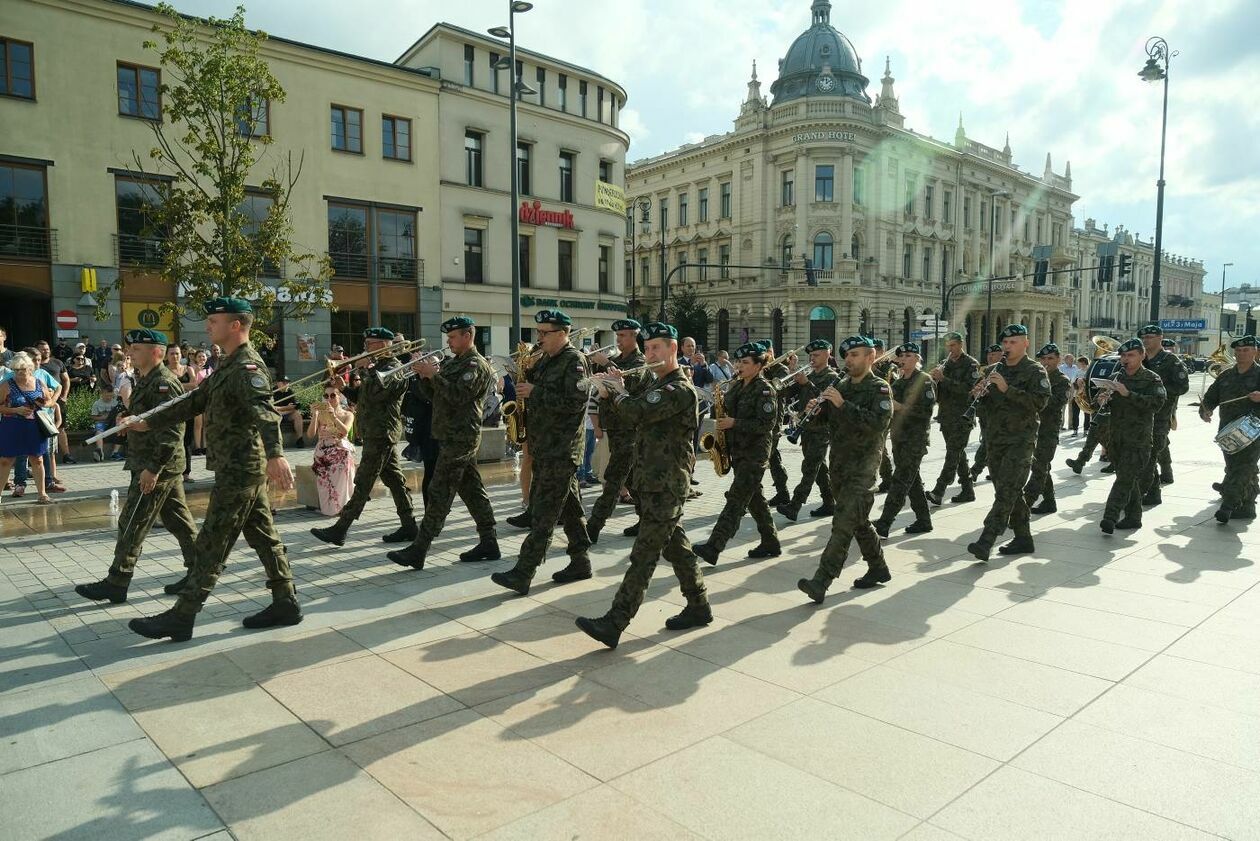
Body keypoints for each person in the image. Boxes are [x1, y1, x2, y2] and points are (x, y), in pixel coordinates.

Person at [126, 297, 298, 641]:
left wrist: (277, 454)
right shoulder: (228, 364)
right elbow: (193, 401)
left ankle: (184, 614)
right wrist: (148, 421)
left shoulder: (248, 366)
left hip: (240, 469)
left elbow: (265, 412)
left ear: (235, 325)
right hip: (238, 467)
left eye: (214, 321)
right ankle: (285, 601)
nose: (207, 326)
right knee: (264, 536)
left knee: (211, 543)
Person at [575, 322, 711, 648]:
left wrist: (617, 390)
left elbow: (636, 411)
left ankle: (615, 621)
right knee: (676, 548)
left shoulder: (677, 389)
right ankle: (699, 605)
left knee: (643, 556)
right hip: (650, 481)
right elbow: (628, 414)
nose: (650, 354)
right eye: (648, 348)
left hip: (667, 485)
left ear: (673, 349)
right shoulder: (656, 384)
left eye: (657, 348)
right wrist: (612, 389)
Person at [73, 329, 200, 604]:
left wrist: (153, 468)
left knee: (132, 521)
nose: (131, 352)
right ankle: (200, 572)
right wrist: (128, 418)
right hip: (153, 462)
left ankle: (117, 582)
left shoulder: (164, 383)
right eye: (131, 348)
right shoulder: (146, 380)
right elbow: (148, 418)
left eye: (138, 349)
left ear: (157, 352)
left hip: (156, 465)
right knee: (179, 521)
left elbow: (173, 430)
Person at [491, 309, 593, 593]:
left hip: (561, 448)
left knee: (543, 514)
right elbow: (529, 383)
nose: (539, 338)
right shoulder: (547, 359)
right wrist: (521, 371)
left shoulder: (575, 361)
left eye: (544, 333)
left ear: (563, 333)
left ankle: (523, 572)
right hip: (545, 445)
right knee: (570, 509)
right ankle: (580, 560)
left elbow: (575, 403)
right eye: (538, 333)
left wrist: (535, 392)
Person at [386, 316, 500, 568]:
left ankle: (419, 549)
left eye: (452, 337)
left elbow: (459, 395)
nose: (448, 342)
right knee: (472, 491)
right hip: (448, 436)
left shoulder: (475, 365)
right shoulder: (453, 363)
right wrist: (422, 378)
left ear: (468, 336)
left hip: (461, 436)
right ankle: (489, 541)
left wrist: (433, 375)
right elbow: (434, 396)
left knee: (439, 491)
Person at [797, 336, 893, 604]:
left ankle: (821, 581)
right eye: (847, 355)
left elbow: (877, 425)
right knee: (859, 522)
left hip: (863, 469)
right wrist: (814, 413)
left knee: (842, 526)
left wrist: (841, 404)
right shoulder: (841, 385)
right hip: (839, 466)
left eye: (855, 355)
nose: (849, 360)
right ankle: (878, 567)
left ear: (870, 357)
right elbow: (824, 425)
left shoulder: (880, 389)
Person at [310, 327, 415, 548]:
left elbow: (380, 395)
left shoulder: (396, 368)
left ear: (385, 345)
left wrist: (365, 369)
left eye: (370, 343)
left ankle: (341, 528)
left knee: (363, 482)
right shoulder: (377, 368)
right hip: (373, 432)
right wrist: (345, 388)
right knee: (395, 481)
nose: (365, 348)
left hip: (382, 433)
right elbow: (363, 397)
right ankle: (409, 525)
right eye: (366, 343)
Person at [964, 325, 1051, 560]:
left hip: (1020, 440)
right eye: (1005, 343)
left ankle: (986, 540)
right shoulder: (994, 369)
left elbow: (1040, 403)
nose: (1008, 347)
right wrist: (978, 396)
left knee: (1005, 494)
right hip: (996, 439)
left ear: (1026, 343)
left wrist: (1007, 388)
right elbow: (986, 406)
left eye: (1013, 342)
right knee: (1009, 491)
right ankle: (1023, 538)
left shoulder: (1035, 371)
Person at [693, 342, 780, 564]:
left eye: (745, 363)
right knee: (756, 499)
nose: (739, 366)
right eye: (738, 362)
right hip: (738, 450)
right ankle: (770, 541)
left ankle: (714, 546)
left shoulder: (764, 389)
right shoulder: (738, 386)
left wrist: (734, 423)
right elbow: (722, 412)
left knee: (736, 499)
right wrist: (717, 400)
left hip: (755, 452)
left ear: (759, 365)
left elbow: (766, 424)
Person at [585, 319, 647, 542]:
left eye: (623, 336)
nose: (618, 341)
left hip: (630, 429)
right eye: (617, 336)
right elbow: (609, 392)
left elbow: (630, 387)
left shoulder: (640, 361)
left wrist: (606, 363)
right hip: (615, 426)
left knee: (613, 479)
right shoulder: (619, 360)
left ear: (634, 336)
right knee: (630, 479)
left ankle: (592, 527)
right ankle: (646, 520)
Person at [1096, 338, 1166, 533]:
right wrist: (1103, 398)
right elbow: (1100, 402)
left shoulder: (1151, 378)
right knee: (1128, 479)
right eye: (1123, 356)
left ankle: (1110, 516)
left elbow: (1157, 404)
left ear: (1142, 356)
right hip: (1117, 438)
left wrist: (1129, 395)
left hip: (1138, 440)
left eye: (1131, 355)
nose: (1126, 359)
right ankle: (1134, 517)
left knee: (1124, 479)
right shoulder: (1117, 376)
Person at [874, 342, 936, 536]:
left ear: (917, 358)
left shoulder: (924, 380)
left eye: (909, 355)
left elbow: (926, 412)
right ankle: (924, 521)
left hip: (915, 439)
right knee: (913, 482)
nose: (903, 359)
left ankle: (885, 522)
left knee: (900, 481)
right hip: (899, 438)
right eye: (901, 356)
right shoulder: (898, 382)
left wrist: (901, 407)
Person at [776, 339, 840, 521]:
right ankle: (829, 503)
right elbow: (785, 393)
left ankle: (795, 505)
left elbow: (823, 398)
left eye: (816, 355)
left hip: (822, 429)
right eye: (810, 355)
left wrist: (806, 383)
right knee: (819, 469)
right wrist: (789, 376)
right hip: (806, 428)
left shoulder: (833, 376)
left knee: (809, 468)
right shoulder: (808, 374)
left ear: (828, 354)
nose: (812, 358)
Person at [1199, 335, 1260, 523]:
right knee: (1236, 467)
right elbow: (1210, 397)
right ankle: (1247, 506)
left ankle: (1228, 505)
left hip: (1254, 430)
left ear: (1255, 351)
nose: (1241, 353)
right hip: (1227, 430)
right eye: (1239, 350)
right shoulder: (1226, 375)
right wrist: (1205, 410)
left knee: (1243, 467)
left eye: (1246, 350)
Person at [927, 332, 981, 505]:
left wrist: (944, 379)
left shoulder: (971, 364)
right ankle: (968, 490)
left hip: (962, 416)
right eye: (948, 346)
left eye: (953, 345)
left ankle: (939, 490)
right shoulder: (946, 363)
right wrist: (933, 380)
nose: (950, 349)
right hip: (946, 415)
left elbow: (967, 389)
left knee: (952, 454)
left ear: (961, 344)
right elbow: (939, 391)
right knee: (958, 453)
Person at [1138, 325, 1189, 504]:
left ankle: (1146, 493)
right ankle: (1152, 490)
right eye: (1144, 337)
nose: (1146, 340)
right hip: (1139, 415)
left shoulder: (1171, 360)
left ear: (1160, 338)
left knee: (1151, 455)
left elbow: (1183, 386)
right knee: (1145, 455)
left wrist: (1159, 391)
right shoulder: (1139, 359)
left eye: (1150, 337)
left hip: (1160, 415)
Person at [0, 352, 54, 505]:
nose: (18, 373)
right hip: (12, 426)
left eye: (22, 369)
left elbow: (49, 402)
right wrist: (15, 410)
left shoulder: (38, 383)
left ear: (30, 369)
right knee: (5, 460)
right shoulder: (7, 384)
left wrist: (44, 403)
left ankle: (42, 494)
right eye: (16, 370)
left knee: (37, 459)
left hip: (34, 426)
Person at [1024, 344, 1073, 515]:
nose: (1046, 362)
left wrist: (1033, 397)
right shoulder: (1034, 377)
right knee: (1042, 467)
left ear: (1058, 359)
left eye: (1050, 358)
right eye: (1043, 359)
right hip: (1032, 428)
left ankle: (1023, 506)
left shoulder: (1062, 380)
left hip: (1048, 430)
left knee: (1039, 468)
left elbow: (1053, 403)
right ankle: (1050, 502)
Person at [308, 383, 356, 517]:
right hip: (323, 449)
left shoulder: (348, 414)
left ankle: (343, 506)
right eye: (326, 395)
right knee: (333, 463)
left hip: (341, 447)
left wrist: (334, 417)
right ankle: (331, 507)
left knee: (344, 458)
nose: (329, 398)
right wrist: (315, 416)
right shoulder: (320, 413)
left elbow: (345, 431)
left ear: (339, 397)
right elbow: (310, 434)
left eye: (333, 395)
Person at [968, 344, 1005, 486]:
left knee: (987, 443)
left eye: (994, 354)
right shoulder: (984, 370)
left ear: (1001, 355)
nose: (990, 356)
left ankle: (975, 470)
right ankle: (994, 469)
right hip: (985, 413)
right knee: (988, 441)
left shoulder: (1004, 370)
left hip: (1000, 415)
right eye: (989, 354)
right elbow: (974, 389)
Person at [762, 343, 794, 506]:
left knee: (763, 457)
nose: (766, 356)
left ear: (772, 352)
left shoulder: (781, 369)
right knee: (773, 457)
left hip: (774, 418)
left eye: (768, 352)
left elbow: (780, 389)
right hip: (760, 419)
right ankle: (783, 493)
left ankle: (748, 494)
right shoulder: (760, 367)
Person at [871, 338, 894, 491]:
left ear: (883, 351)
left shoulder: (890, 367)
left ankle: (888, 477)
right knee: (879, 446)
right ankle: (888, 478)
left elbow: (887, 383)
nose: (876, 353)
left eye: (878, 350)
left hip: (885, 411)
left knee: (879, 445)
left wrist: (873, 368)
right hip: (871, 410)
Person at [271, 375, 307, 448]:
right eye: (284, 382)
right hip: (275, 414)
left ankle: (299, 439)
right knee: (275, 417)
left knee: (297, 415)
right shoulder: (272, 392)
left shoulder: (290, 391)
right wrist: (286, 408)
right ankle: (276, 443)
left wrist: (284, 411)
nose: (286, 384)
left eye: (287, 382)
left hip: (286, 413)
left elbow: (294, 407)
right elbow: (270, 407)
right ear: (278, 383)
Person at [90, 384, 118, 462]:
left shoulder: (115, 402)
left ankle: (115, 452)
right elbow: (93, 417)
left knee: (121, 429)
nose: (109, 398)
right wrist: (103, 417)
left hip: (113, 422)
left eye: (110, 396)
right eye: (107, 396)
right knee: (99, 431)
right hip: (101, 422)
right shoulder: (97, 404)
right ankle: (100, 451)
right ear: (102, 393)